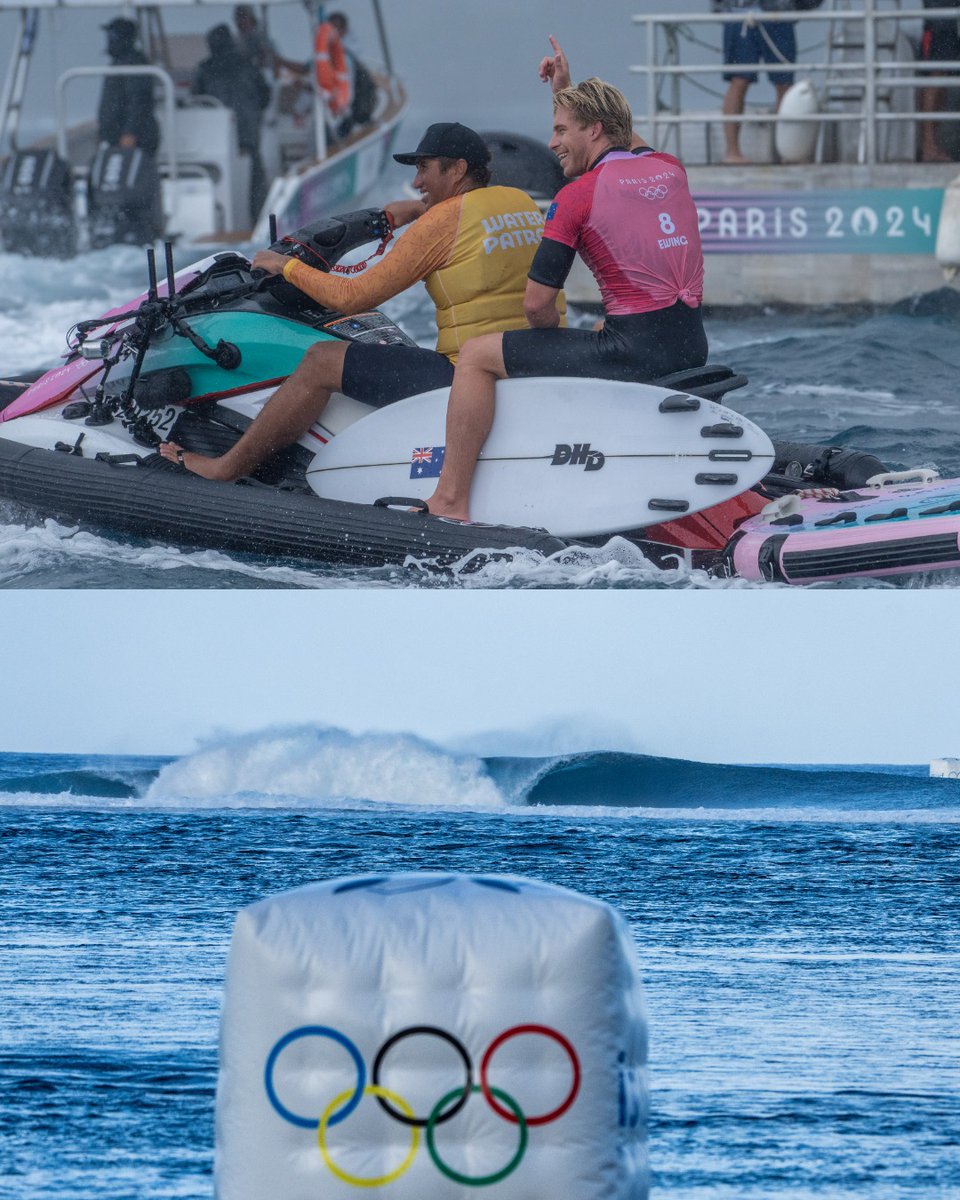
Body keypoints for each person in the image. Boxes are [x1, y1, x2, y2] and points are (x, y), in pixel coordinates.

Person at [158, 122, 552, 481]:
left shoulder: (441, 224)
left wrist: (286, 267)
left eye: (424, 169)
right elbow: (466, 224)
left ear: (458, 169)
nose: (416, 183)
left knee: (320, 360)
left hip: (462, 377)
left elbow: (354, 297)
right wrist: (417, 212)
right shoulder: (517, 203)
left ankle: (225, 466)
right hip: (520, 364)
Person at [423, 75, 706, 523]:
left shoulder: (576, 197)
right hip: (690, 346)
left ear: (593, 129)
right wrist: (568, 89)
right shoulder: (670, 168)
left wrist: (545, 349)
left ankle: (450, 499)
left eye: (560, 129)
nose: (552, 142)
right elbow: (621, 133)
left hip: (633, 355)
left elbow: (537, 305)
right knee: (599, 328)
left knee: (477, 355)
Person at [193, 24, 271, 222]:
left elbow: (195, 101)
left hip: (214, 137)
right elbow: (265, 95)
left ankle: (220, 221)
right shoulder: (248, 65)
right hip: (247, 134)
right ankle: (256, 221)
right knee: (254, 183)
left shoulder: (204, 69)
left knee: (218, 182)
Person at [713, 0, 797, 165]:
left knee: (784, 84)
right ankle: (732, 151)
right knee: (739, 80)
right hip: (739, 15)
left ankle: (787, 151)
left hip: (779, 15)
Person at [97, 17, 160, 155]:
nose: (108, 39)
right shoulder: (120, 61)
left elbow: (139, 100)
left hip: (134, 139)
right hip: (116, 137)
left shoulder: (134, 62)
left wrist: (130, 132)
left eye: (112, 35)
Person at [919, 0, 960, 162]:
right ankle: (928, 147)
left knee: (941, 77)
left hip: (950, 14)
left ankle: (931, 146)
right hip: (940, 15)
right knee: (936, 74)